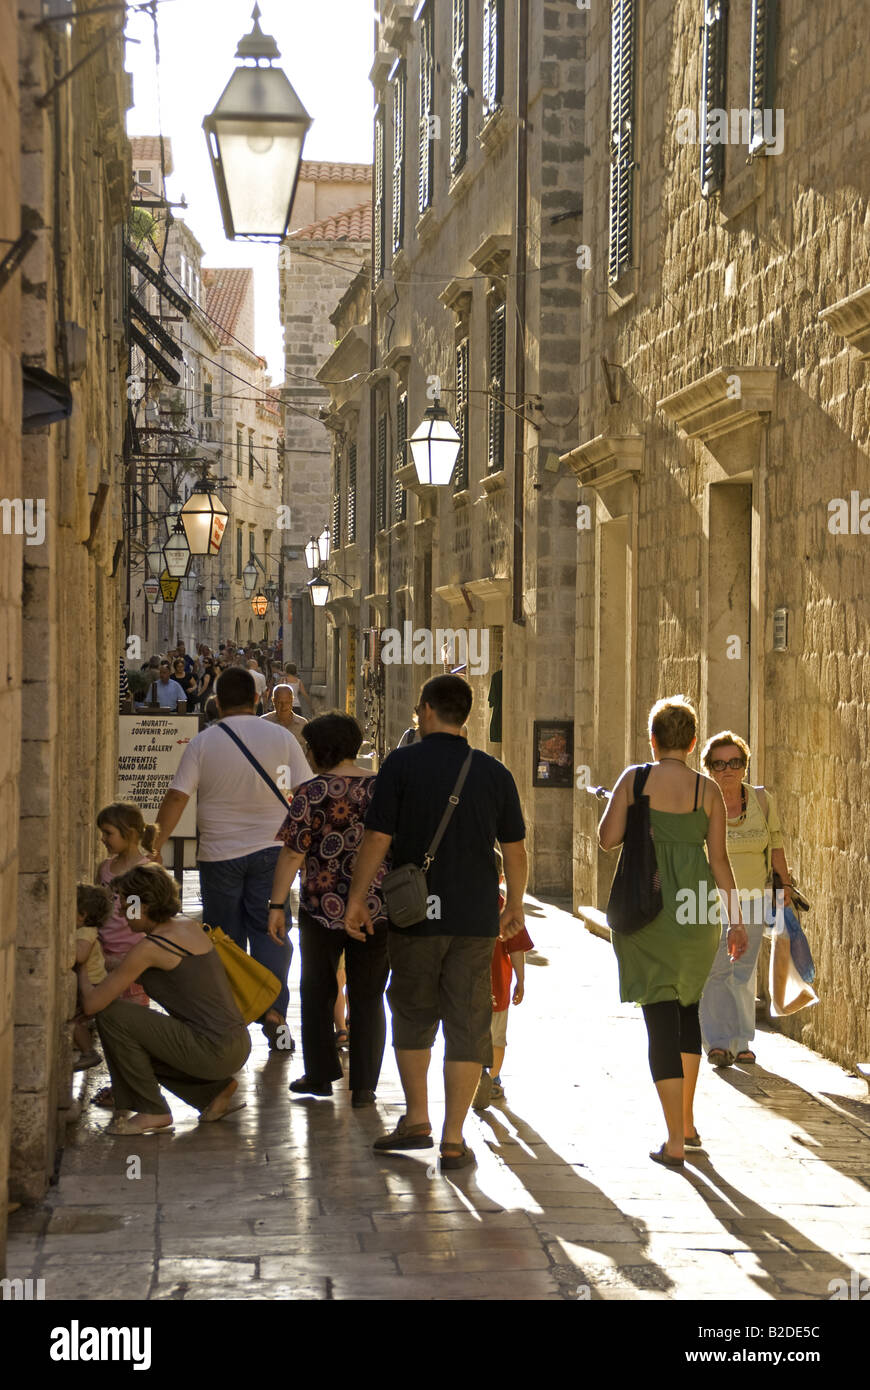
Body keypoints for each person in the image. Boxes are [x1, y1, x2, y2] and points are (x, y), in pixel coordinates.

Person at [345, 674, 528, 1171]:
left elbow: (378, 839)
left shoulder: (401, 764)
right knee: (468, 1021)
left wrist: (358, 899)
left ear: (425, 710)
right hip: (475, 916)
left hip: (415, 912)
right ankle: (453, 1137)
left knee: (412, 1010)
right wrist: (515, 904)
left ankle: (418, 1117)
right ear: (465, 714)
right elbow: (515, 850)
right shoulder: (494, 772)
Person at [598, 695, 749, 1168]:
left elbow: (607, 840)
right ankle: (686, 1123)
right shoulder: (709, 792)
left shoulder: (634, 779)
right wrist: (736, 919)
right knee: (687, 1012)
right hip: (697, 911)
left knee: (659, 1017)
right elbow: (720, 861)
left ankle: (674, 1141)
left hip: (648, 909)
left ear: (653, 739)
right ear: (693, 741)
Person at [152, 667, 310, 1051]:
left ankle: (233, 1017)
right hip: (273, 852)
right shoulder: (281, 738)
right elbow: (303, 792)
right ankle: (274, 1014)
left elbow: (177, 797)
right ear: (258, 700)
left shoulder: (204, 742)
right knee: (272, 933)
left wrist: (154, 846)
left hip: (219, 855)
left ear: (218, 702)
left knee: (225, 940)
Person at [267, 712, 390, 1106]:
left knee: (317, 990)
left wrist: (276, 904)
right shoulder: (382, 787)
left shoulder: (311, 792)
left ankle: (320, 1074)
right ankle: (365, 1086)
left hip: (321, 907)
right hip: (375, 906)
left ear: (321, 749)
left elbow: (292, 852)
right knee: (369, 995)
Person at [77, 863, 250, 1136]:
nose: (120, 912)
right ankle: (212, 1091)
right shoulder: (184, 926)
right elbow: (125, 966)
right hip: (234, 1043)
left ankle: (151, 1109)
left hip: (213, 1050)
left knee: (112, 1015)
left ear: (143, 905)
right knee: (137, 1042)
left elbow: (92, 1005)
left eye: (124, 904)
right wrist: (103, 963)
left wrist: (82, 966)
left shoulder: (150, 948)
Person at [699, 731, 794, 1068]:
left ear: (744, 764)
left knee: (743, 970)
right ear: (709, 768)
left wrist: (784, 889)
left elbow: (777, 844)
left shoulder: (762, 801)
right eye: (719, 763)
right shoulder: (702, 801)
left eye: (734, 762)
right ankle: (717, 1042)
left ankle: (742, 1043)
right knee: (716, 970)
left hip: (753, 898)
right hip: (707, 901)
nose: (728, 769)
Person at [473, 852, 534, 1109]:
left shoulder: (466, 906)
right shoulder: (505, 907)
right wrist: (520, 980)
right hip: (498, 987)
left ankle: (475, 1077)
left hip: (468, 986)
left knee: (472, 1035)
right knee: (497, 1038)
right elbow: (516, 948)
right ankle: (494, 1078)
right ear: (501, 878)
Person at [96, 802, 156, 1006]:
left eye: (108, 833)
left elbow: (148, 917)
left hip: (133, 956)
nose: (102, 839)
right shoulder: (105, 868)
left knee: (134, 1010)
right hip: (103, 953)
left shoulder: (146, 871)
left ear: (129, 833)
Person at [73, 884, 113, 1069]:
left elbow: (80, 956)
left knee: (73, 1020)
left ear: (83, 915)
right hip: (95, 982)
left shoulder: (85, 932)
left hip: (93, 984)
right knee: (77, 1019)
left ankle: (88, 1052)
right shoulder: (86, 931)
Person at [261, 683, 308, 751]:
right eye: (280, 702)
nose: (283, 706)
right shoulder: (264, 722)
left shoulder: (303, 724)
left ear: (292, 701)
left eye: (287, 702)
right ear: (273, 701)